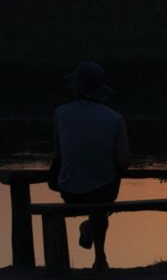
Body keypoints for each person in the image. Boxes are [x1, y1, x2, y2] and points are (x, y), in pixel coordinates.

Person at [52, 61, 132, 271]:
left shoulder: (61, 113)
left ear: (76, 87)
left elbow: (59, 154)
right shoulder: (115, 118)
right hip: (104, 192)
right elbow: (124, 162)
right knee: (101, 200)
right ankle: (100, 258)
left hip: (69, 192)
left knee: (96, 199)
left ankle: (90, 231)